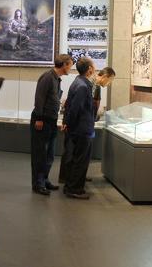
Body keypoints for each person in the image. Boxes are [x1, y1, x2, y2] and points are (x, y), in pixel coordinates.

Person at [59, 66, 115, 184]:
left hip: (85, 124)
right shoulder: (87, 84)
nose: (109, 83)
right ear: (105, 76)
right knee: (71, 153)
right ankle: (68, 179)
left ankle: (76, 177)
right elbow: (73, 104)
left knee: (80, 155)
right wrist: (66, 121)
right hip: (79, 126)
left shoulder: (94, 86)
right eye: (110, 80)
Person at [30, 53, 72, 196]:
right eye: (70, 65)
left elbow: (51, 98)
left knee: (49, 154)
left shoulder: (56, 79)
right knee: (40, 154)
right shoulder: (48, 77)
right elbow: (39, 98)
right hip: (43, 120)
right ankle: (38, 184)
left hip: (51, 120)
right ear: (64, 64)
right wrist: (39, 118)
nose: (70, 68)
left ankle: (44, 179)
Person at [61, 57, 96, 199]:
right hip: (82, 129)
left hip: (78, 128)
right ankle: (74, 189)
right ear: (89, 69)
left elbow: (70, 105)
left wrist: (67, 123)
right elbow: (75, 108)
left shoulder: (78, 82)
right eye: (93, 66)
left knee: (76, 159)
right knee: (80, 161)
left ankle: (70, 186)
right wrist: (69, 124)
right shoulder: (82, 86)